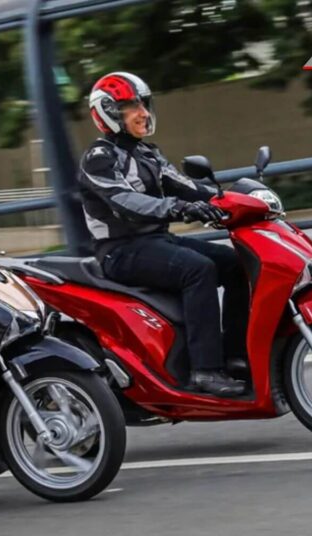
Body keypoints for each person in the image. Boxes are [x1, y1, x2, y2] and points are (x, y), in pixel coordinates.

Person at [79, 72, 249, 398]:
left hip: (155, 241)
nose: (142, 112)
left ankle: (236, 355)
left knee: (237, 264)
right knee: (198, 269)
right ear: (110, 113)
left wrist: (232, 200)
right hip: (120, 250)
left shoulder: (148, 154)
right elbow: (127, 201)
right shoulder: (98, 158)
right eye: (131, 107)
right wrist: (178, 208)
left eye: (143, 104)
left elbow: (186, 187)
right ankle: (205, 371)